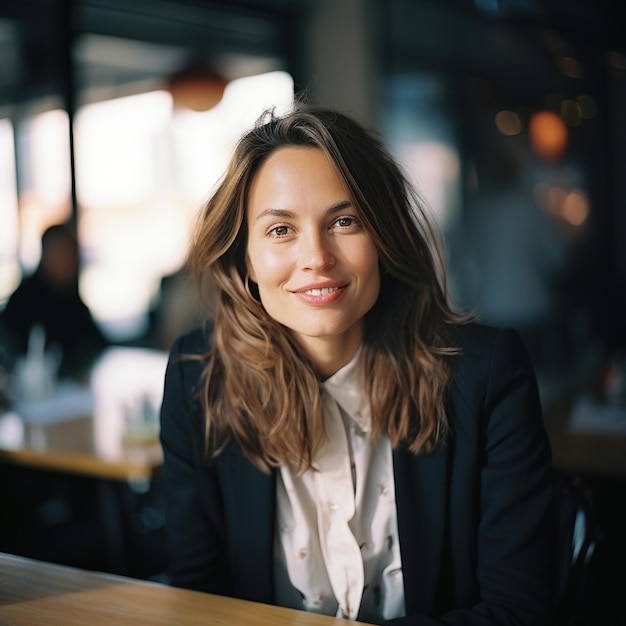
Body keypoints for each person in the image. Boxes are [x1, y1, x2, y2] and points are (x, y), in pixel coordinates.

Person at [159, 105, 556, 625]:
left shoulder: (485, 376)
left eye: (344, 222)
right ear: (246, 258)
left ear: (385, 239)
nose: (317, 257)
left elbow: (517, 612)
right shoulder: (198, 379)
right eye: (281, 230)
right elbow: (199, 602)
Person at [0, 223, 108, 378]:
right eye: (63, 254)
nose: (71, 262)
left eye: (72, 255)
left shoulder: (71, 298)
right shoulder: (23, 300)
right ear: (46, 254)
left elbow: (97, 343)